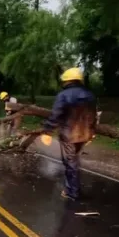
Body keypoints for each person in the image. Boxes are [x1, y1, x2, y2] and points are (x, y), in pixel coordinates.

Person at [42, 68, 97, 201]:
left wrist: (47, 131)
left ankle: (72, 192)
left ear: (67, 81)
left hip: (69, 135)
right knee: (74, 161)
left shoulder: (64, 95)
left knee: (70, 163)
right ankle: (71, 189)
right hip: (84, 134)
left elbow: (56, 114)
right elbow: (93, 116)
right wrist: (92, 132)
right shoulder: (90, 95)